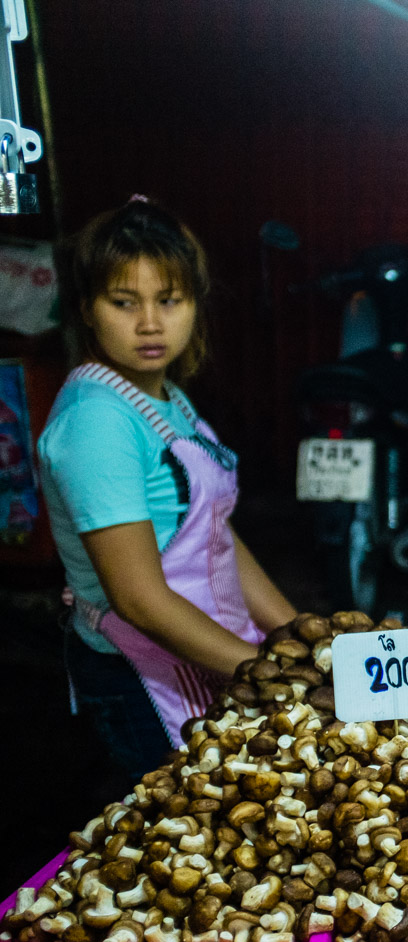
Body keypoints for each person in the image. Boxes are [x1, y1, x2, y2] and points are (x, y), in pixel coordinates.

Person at [38, 197, 296, 783]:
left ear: (195, 306)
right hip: (143, 676)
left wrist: (296, 632)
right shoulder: (97, 422)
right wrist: (268, 673)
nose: (150, 324)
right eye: (124, 303)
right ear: (87, 310)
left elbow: (212, 530)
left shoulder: (164, 398)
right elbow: (137, 599)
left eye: (169, 301)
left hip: (211, 651)